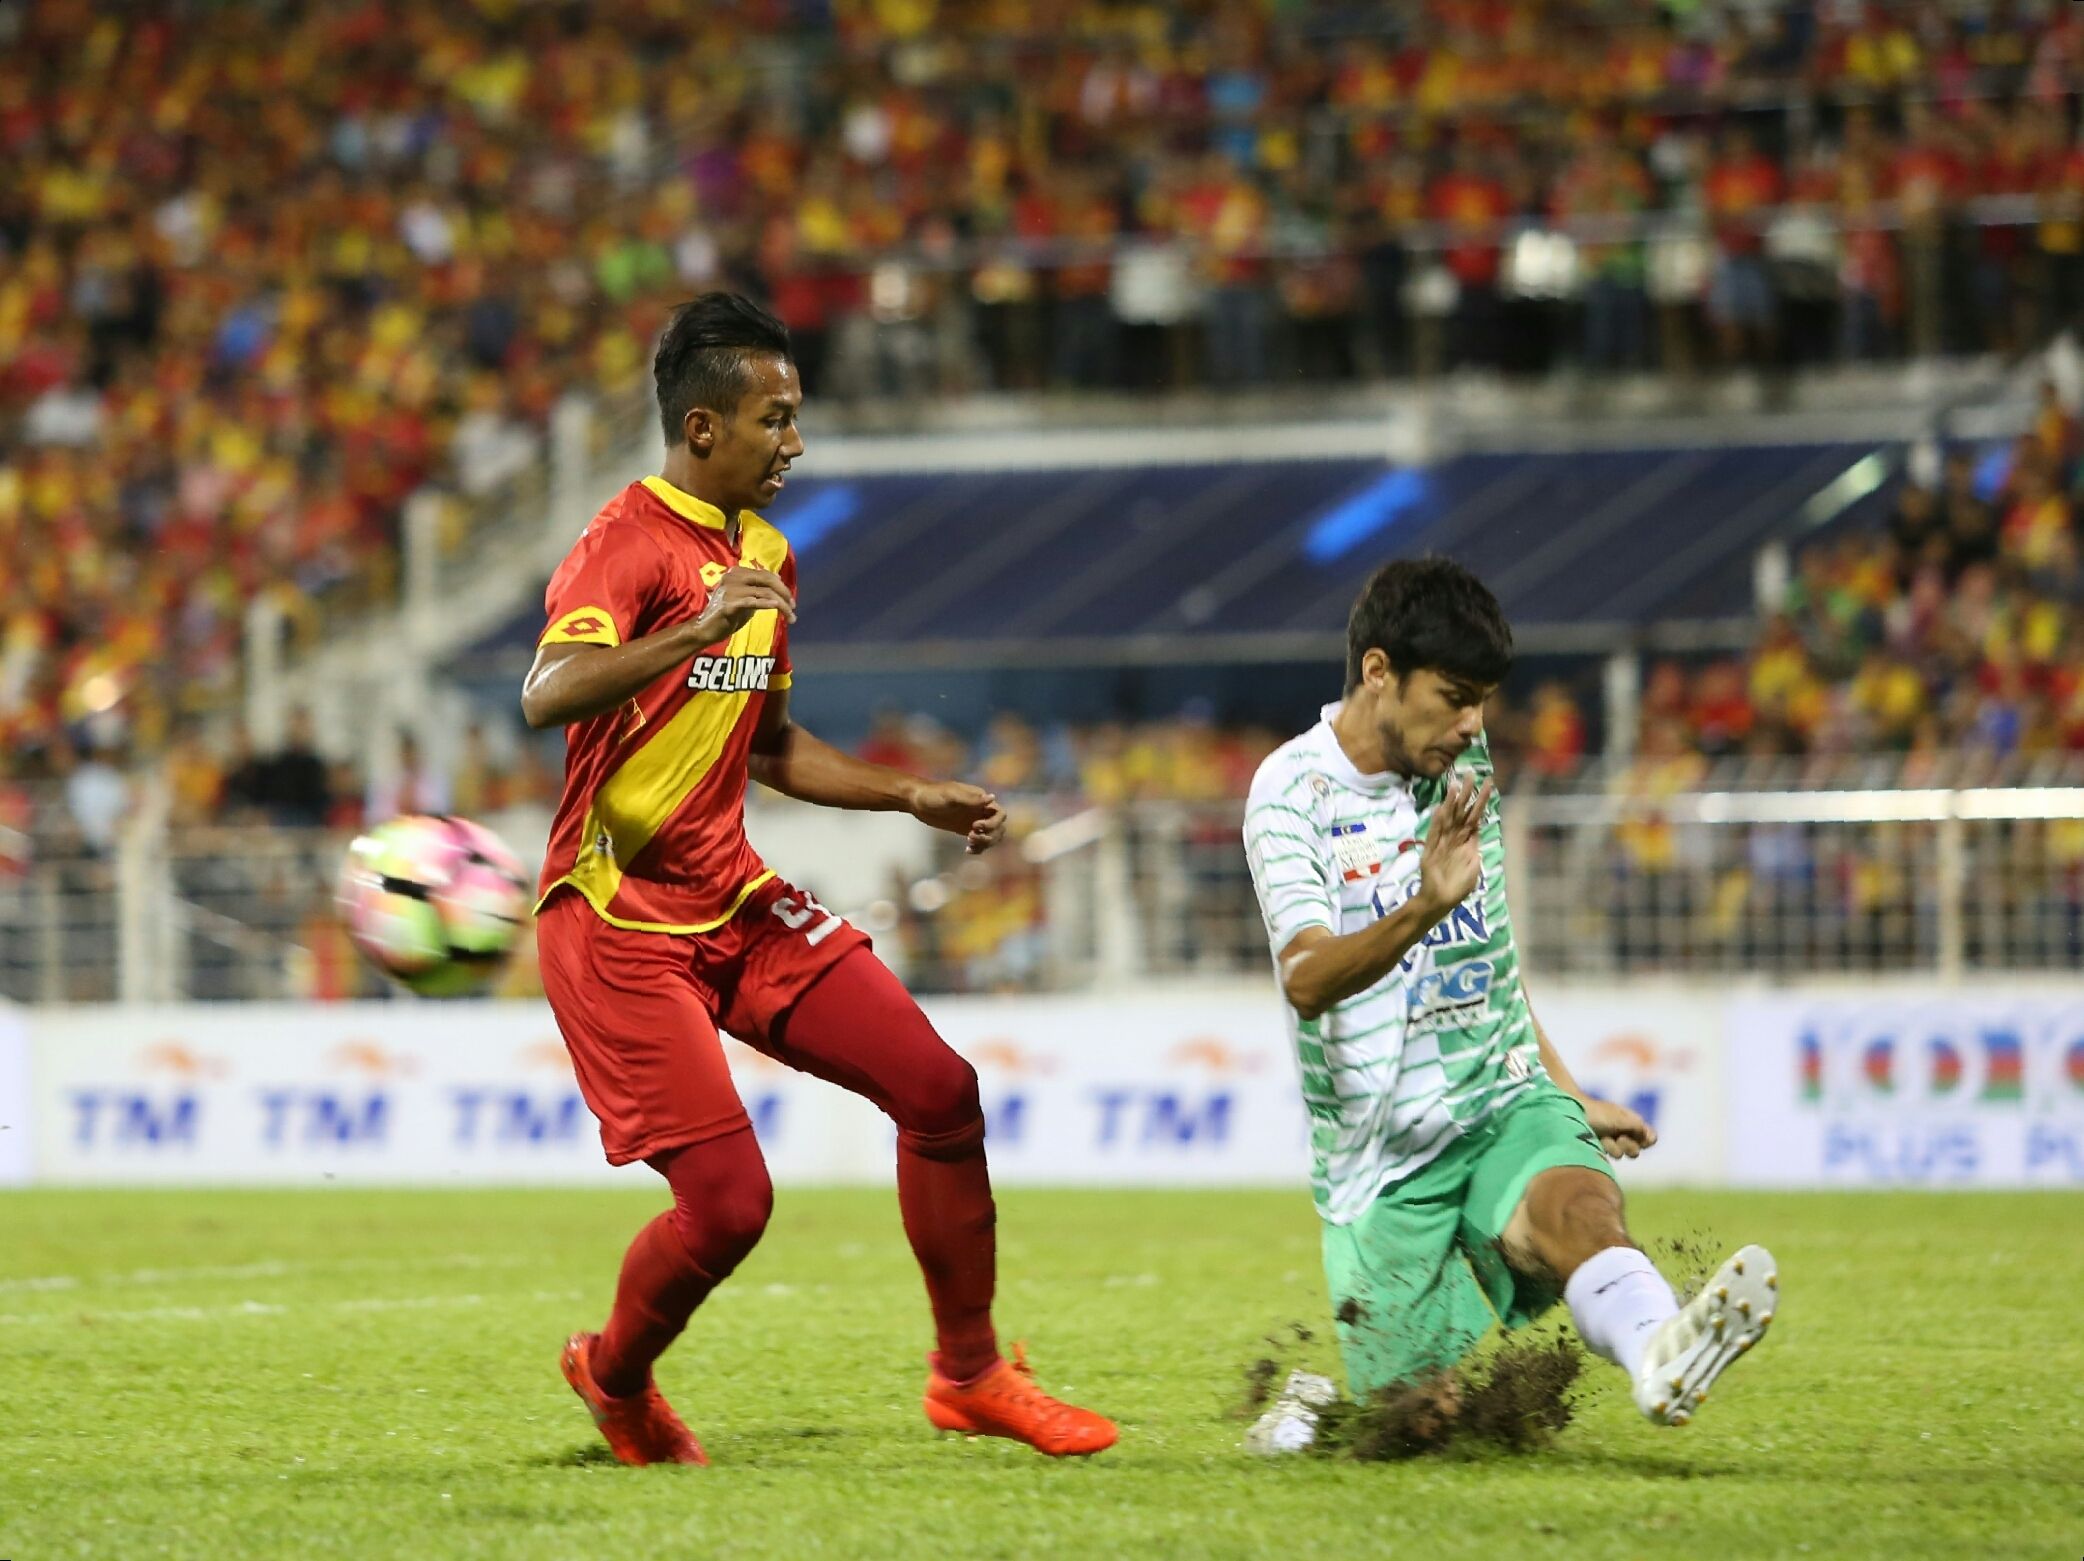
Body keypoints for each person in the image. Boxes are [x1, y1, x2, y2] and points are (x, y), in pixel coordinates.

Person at [520, 293, 1115, 1466]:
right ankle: (614, 1375)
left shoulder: (766, 555)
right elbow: (547, 692)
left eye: (794, 418)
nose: (794, 442)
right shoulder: (623, 545)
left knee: (938, 1090)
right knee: (729, 1207)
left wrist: (910, 793)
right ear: (702, 428)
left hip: (733, 898)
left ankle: (970, 1374)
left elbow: (774, 745)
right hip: (614, 918)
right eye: (774, 420)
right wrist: (691, 632)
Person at [1240, 558, 1777, 1453]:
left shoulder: (1462, 762)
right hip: (1381, 1157)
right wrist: (1422, 905)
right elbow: (1305, 978)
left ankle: (1661, 1349)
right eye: (1455, 698)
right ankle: (1314, 1406)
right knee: (1415, 1420)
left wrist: (1564, 1090)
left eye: (1483, 701)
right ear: (1379, 672)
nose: (1473, 724)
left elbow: (1486, 950)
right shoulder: (1290, 791)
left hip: (1495, 1095)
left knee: (1576, 1205)